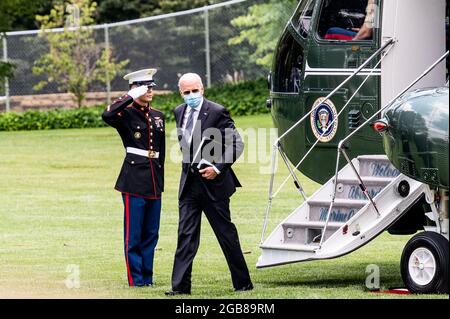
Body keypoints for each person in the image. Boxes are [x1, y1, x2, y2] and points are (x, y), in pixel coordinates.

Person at [165, 73, 253, 296]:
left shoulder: (217, 111)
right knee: (185, 235)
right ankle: (180, 289)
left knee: (226, 234)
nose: (191, 95)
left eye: (195, 90)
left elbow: (236, 144)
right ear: (181, 93)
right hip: (189, 186)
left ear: (202, 89)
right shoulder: (178, 112)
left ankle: (243, 284)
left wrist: (217, 168)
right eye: (187, 92)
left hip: (214, 185)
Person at [102, 68, 165, 287]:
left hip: (154, 181)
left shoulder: (158, 116)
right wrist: (130, 96)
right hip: (133, 180)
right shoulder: (125, 114)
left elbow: (161, 152)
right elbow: (106, 114)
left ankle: (148, 278)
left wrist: (161, 181)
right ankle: (136, 280)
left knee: (151, 234)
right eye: (144, 87)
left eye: (151, 87)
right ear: (135, 88)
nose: (149, 91)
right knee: (134, 234)